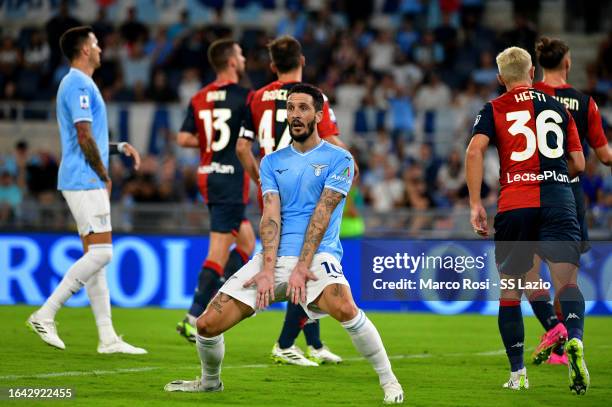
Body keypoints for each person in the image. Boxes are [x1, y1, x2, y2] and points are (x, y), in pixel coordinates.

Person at [165, 84, 404, 404]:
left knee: (345, 306)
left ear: (319, 115)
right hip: (272, 258)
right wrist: (266, 268)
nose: (295, 115)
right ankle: (210, 382)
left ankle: (389, 382)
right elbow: (271, 217)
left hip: (318, 257)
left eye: (303, 108)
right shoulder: (271, 162)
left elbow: (321, 215)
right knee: (206, 326)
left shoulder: (339, 159)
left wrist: (302, 267)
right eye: (290, 108)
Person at [466, 46, 588, 394]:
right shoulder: (559, 108)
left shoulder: (493, 108)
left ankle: (518, 374)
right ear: (532, 72)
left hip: (516, 203)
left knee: (509, 291)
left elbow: (475, 150)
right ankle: (574, 337)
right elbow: (579, 164)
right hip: (559, 199)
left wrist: (476, 203)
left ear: (500, 78)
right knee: (567, 284)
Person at [27, 26, 146, 354]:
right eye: (95, 43)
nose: (101, 49)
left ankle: (107, 338)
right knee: (103, 253)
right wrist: (104, 173)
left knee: (96, 257)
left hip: (80, 175)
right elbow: (83, 136)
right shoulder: (78, 83)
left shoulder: (78, 83)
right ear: (83, 50)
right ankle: (46, 313)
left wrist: (120, 147)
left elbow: (86, 137)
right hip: (83, 179)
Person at [236, 35, 351, 366]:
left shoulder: (256, 97)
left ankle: (313, 344)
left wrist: (263, 180)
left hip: (273, 190)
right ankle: (285, 344)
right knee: (306, 263)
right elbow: (328, 140)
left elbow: (243, 148)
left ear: (272, 66)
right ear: (302, 60)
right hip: (306, 187)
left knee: (299, 262)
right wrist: (350, 161)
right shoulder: (312, 98)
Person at [525, 36, 612, 366]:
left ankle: (554, 330)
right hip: (569, 194)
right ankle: (569, 341)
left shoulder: (525, 98)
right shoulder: (584, 102)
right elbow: (604, 156)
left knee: (528, 272)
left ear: (537, 65)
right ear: (568, 62)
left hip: (531, 189)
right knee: (567, 280)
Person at [174, 38, 255, 342]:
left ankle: (204, 306)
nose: (244, 58)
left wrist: (208, 141)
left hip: (208, 175)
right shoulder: (246, 97)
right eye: (241, 53)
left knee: (247, 245)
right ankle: (193, 317)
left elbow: (183, 138)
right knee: (218, 252)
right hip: (230, 178)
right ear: (232, 62)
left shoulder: (199, 98)